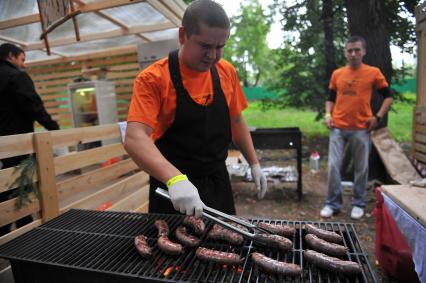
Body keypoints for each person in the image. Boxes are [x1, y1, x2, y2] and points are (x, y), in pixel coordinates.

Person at [124, 0, 267, 217]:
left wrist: (254, 162)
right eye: (205, 46)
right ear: (183, 36)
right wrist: (175, 178)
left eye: (220, 47)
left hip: (217, 182)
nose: (213, 55)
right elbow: (135, 137)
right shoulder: (153, 79)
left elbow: (236, 121)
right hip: (172, 191)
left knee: (226, 246)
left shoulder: (226, 71)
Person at [320, 36, 393, 220]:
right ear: (345, 52)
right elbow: (330, 99)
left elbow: (388, 97)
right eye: (349, 50)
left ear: (363, 52)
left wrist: (377, 117)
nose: (353, 54)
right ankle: (332, 203)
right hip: (337, 126)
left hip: (361, 128)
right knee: (334, 167)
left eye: (357, 50)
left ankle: (358, 203)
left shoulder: (373, 72)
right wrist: (328, 115)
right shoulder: (337, 74)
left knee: (361, 168)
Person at [0, 43, 60, 235]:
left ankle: (17, 230)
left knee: (5, 190)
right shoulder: (16, 76)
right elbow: (32, 105)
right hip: (18, 145)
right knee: (21, 189)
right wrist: (53, 129)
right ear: (11, 56)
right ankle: (24, 233)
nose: (24, 65)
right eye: (22, 59)